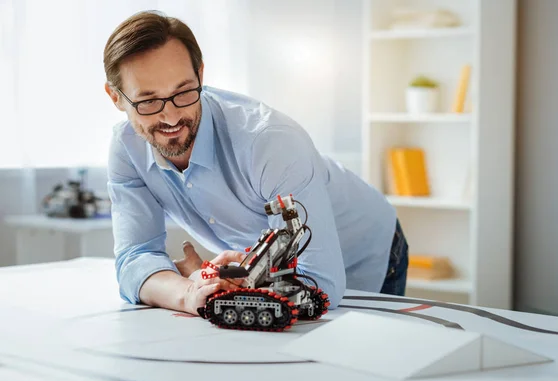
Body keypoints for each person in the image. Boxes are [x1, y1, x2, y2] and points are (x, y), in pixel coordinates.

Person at [103, 10, 408, 316]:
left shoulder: (269, 142)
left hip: (365, 249)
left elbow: (319, 282)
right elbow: (135, 258)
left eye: (183, 92)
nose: (170, 117)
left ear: (201, 75)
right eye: (148, 101)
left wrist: (218, 279)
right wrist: (190, 292)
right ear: (116, 97)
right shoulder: (127, 149)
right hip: (278, 269)